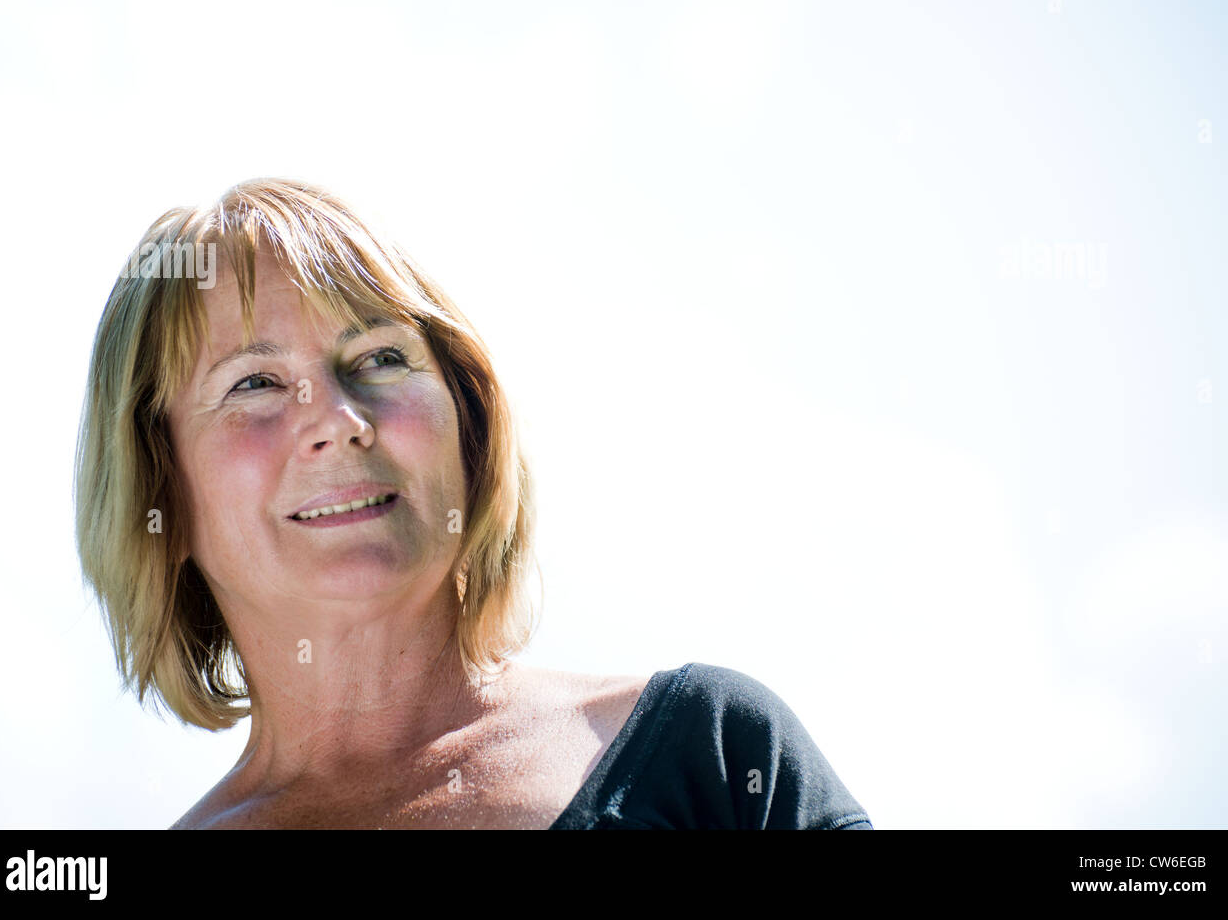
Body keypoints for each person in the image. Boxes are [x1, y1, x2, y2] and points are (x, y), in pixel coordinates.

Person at [75, 178, 873, 830]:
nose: (341, 420)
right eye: (255, 383)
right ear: (160, 487)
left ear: (470, 421)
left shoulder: (716, 754)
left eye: (380, 357)